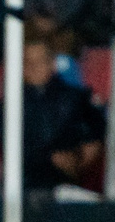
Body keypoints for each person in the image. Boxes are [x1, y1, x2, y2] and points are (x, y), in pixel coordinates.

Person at [22, 34, 106, 190]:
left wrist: (79, 161)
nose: (33, 68)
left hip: (70, 183)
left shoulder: (76, 98)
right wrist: (49, 158)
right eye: (28, 62)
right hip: (29, 185)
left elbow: (97, 133)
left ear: (52, 64)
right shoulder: (12, 104)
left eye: (40, 61)